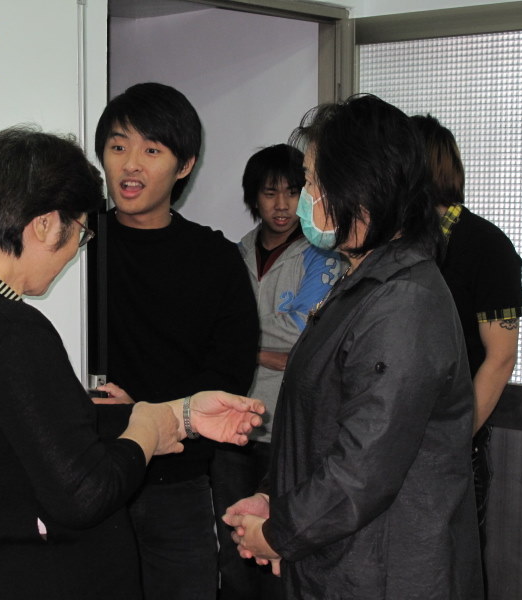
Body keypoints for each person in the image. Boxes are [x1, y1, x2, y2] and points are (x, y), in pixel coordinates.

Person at [0, 126, 265, 600]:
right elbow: (84, 494)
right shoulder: (12, 330)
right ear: (46, 225)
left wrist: (177, 414)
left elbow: (48, 426)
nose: (72, 254)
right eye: (81, 234)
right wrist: (145, 432)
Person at [224, 95, 484, 599]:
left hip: (388, 570)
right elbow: (322, 428)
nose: (305, 198)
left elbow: (362, 469)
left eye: (312, 182)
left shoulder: (403, 302)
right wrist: (274, 499)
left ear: (360, 186)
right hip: (343, 557)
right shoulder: (362, 280)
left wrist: (278, 533)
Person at [93, 82, 259, 600]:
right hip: (91, 479)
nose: (130, 165)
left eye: (152, 150)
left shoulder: (215, 259)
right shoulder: (78, 246)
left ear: (184, 165)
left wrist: (145, 412)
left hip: (178, 484)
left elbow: (230, 372)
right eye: (118, 146)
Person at [210, 144, 343, 600]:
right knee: (233, 541)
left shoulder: (322, 255)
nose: (282, 205)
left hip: (289, 424)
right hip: (233, 422)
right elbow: (217, 326)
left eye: (292, 192)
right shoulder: (236, 252)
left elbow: (305, 333)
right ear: (254, 197)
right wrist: (261, 350)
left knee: (280, 545)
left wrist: (239, 342)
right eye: (270, 193)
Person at [412, 114, 522, 597]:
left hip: (453, 447)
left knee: (452, 572)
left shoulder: (486, 246)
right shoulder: (400, 245)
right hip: (391, 440)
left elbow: (500, 358)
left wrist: (456, 436)